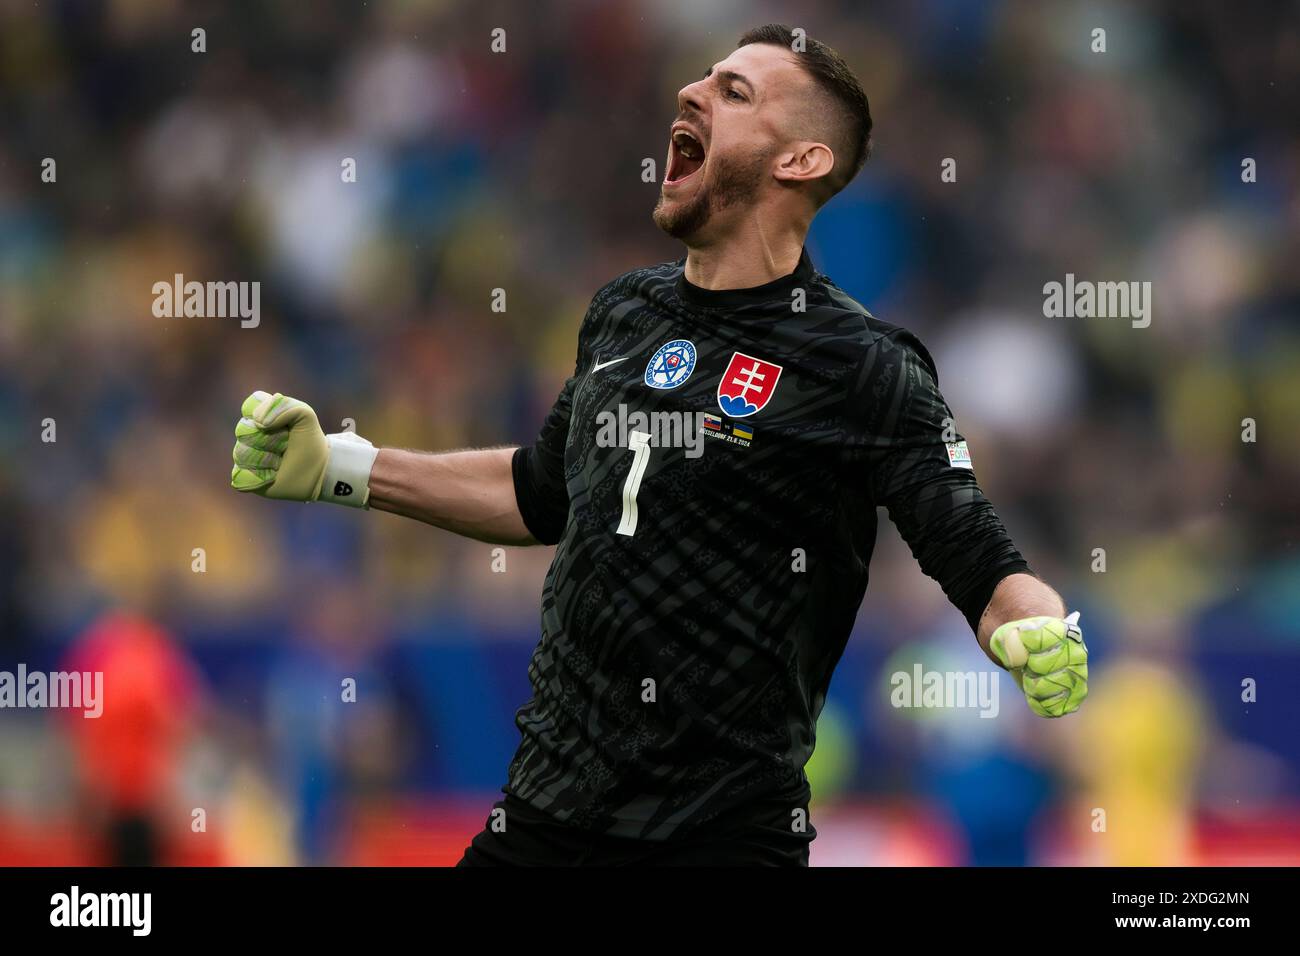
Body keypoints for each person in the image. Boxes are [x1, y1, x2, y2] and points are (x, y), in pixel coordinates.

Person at [228, 24, 1088, 866]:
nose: (692, 91)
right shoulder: (624, 312)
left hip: (722, 839)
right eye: (705, 78)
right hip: (542, 818)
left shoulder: (860, 365)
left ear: (800, 160)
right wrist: (341, 467)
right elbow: (540, 493)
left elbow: (979, 560)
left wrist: (1035, 626)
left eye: (734, 91)